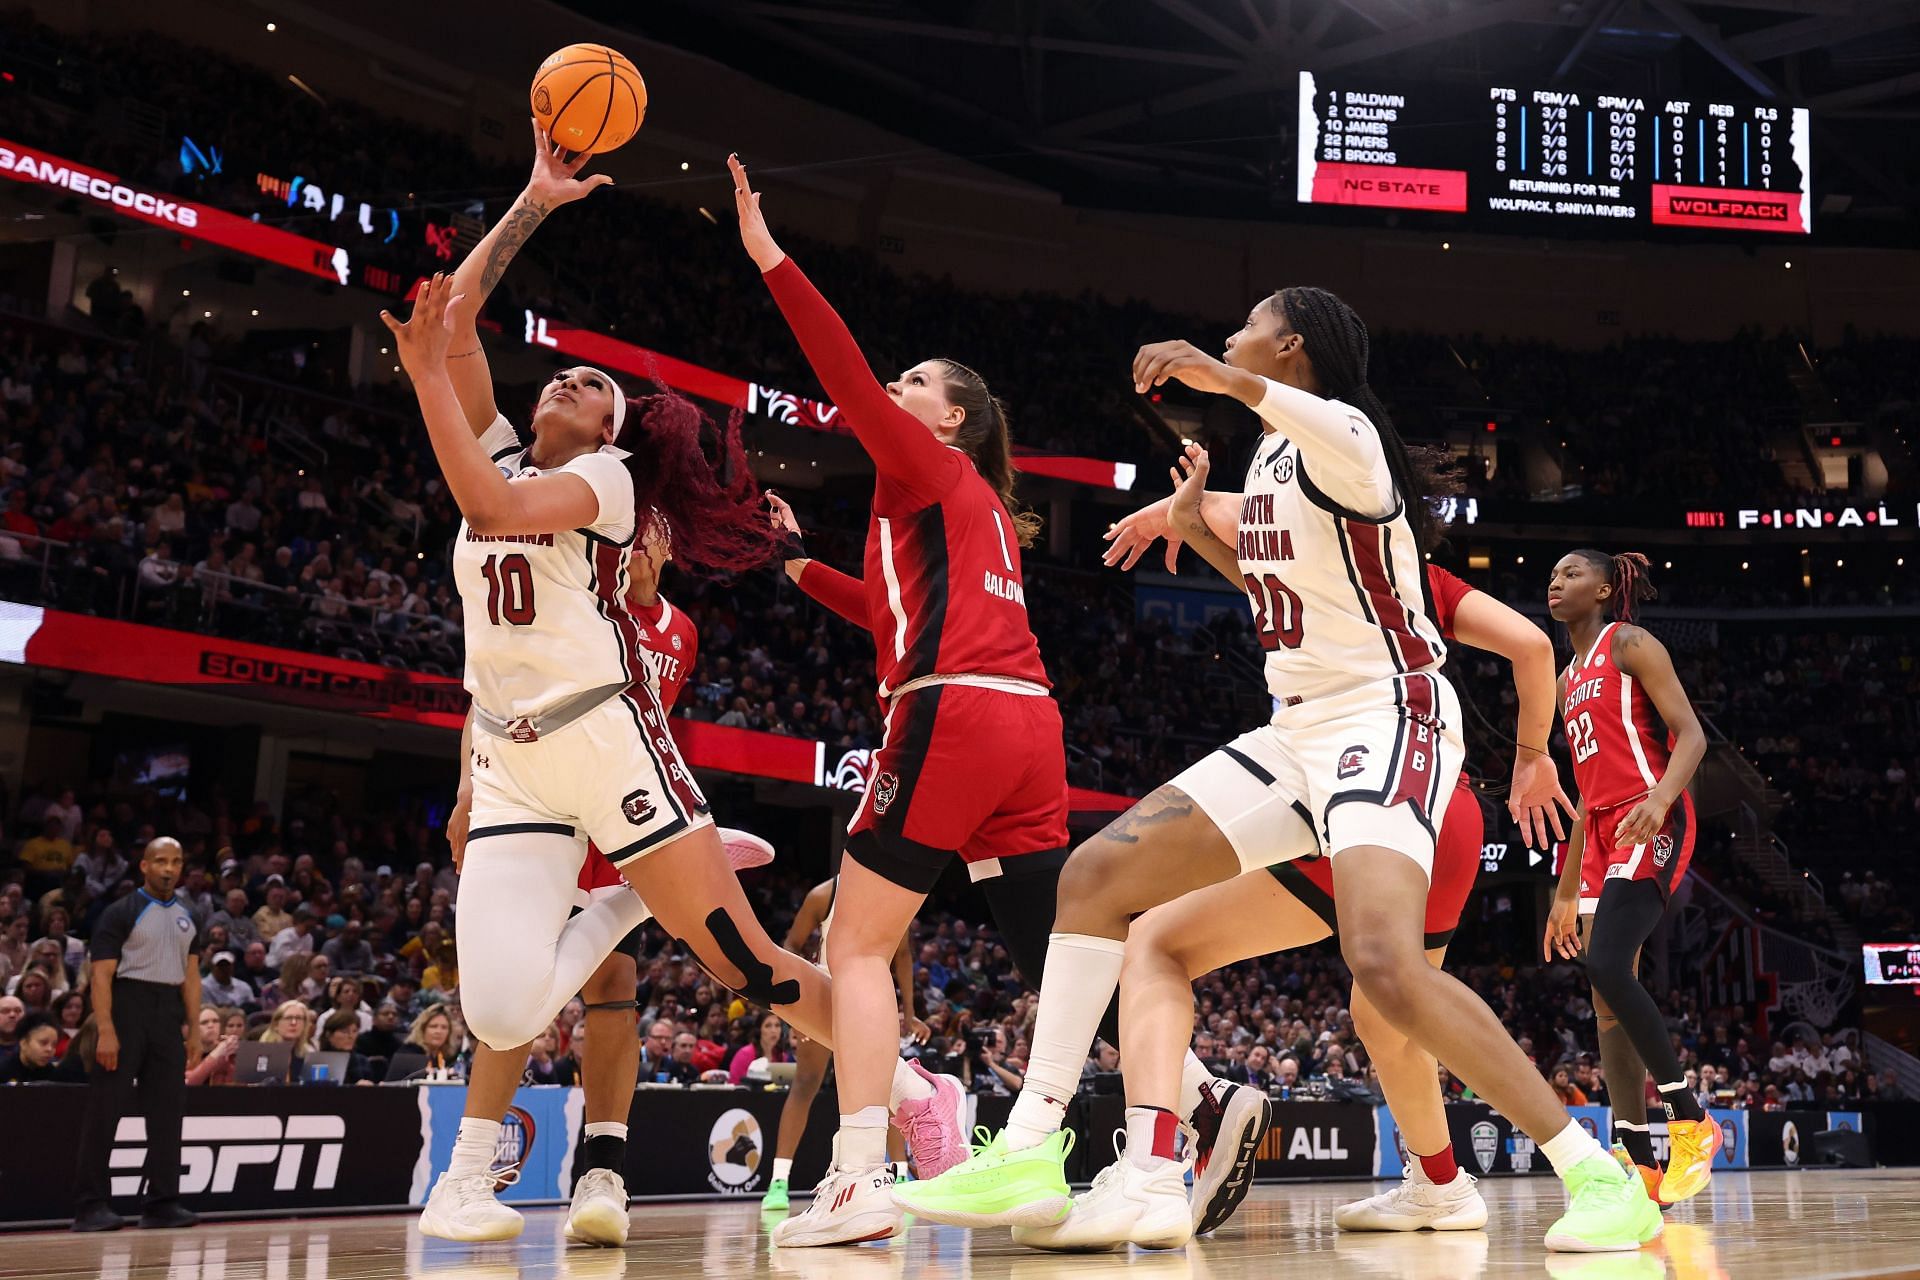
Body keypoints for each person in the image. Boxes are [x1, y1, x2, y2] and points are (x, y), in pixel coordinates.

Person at [903, 289, 1656, 1255]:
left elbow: (1286, 404)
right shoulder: (1268, 461)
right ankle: (1031, 1141)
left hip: (1388, 717)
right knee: (1096, 881)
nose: (1230, 329)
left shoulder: (1345, 433)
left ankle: (1594, 1174)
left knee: (1382, 968)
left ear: (1289, 343)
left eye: (1249, 322)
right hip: (1293, 729)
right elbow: (1273, 584)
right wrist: (1194, 522)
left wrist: (1213, 374)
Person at [395, 130, 960, 1246]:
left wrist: (422, 380)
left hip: (608, 744)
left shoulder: (599, 482)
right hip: (513, 758)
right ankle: (618, 900)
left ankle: (909, 1093)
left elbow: (489, 507)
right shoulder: (507, 450)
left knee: (745, 963)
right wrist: (534, 200)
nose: (568, 380)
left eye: (593, 384)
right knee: (500, 1004)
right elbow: (455, 320)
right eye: (563, 372)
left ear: (611, 433)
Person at [731, 156, 1095, 1248]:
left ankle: (855, 1175)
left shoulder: (926, 468)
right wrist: (796, 567)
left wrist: (770, 257)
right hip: (1029, 723)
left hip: (955, 717)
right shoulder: (972, 502)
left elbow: (838, 374)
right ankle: (1118, 1134)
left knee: (852, 938)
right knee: (1053, 945)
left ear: (955, 415)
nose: (896, 388)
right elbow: (894, 617)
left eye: (916, 381)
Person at [1099, 555, 1553, 1241]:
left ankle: (1154, 1170)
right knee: (1387, 1015)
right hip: (1445, 803)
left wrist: (1185, 518)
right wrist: (1532, 752)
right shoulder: (1403, 566)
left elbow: (1237, 535)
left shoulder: (1300, 551)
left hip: (1352, 787)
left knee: (1156, 941)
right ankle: (1441, 1184)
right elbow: (1533, 644)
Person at [1542, 550, 1713, 1206]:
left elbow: (1691, 734)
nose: (1557, 582)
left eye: (1571, 573)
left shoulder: (1631, 643)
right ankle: (1638, 1159)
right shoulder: (1564, 680)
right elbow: (1585, 793)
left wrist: (1662, 798)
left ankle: (1690, 1120)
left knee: (1609, 963)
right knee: (1605, 996)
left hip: (1650, 813)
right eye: (1552, 575)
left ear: (1606, 588)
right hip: (1600, 829)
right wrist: (1563, 888)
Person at [760, 878, 929, 1215]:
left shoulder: (898, 889)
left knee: (886, 1088)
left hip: (871, 997)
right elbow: (790, 946)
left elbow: (904, 955)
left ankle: (901, 1175)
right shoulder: (823, 894)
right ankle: (779, 1181)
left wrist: (909, 1014)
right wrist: (794, 1009)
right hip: (824, 991)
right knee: (805, 1084)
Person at [71, 837, 202, 1232]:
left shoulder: (190, 913)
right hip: (126, 1008)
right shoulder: (120, 911)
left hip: (167, 1013)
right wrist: (106, 1029)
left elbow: (192, 976)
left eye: (176, 861)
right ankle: (90, 1206)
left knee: (167, 1112)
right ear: (143, 866)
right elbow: (101, 975)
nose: (168, 868)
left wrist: (195, 1030)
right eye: (160, 861)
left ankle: (162, 1203)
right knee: (105, 1110)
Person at [0, 1011, 62, 1083]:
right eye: (43, 1043)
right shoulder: (3, 1071)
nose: (49, 1049)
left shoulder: (54, 1075)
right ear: (23, 1043)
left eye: (54, 1045)